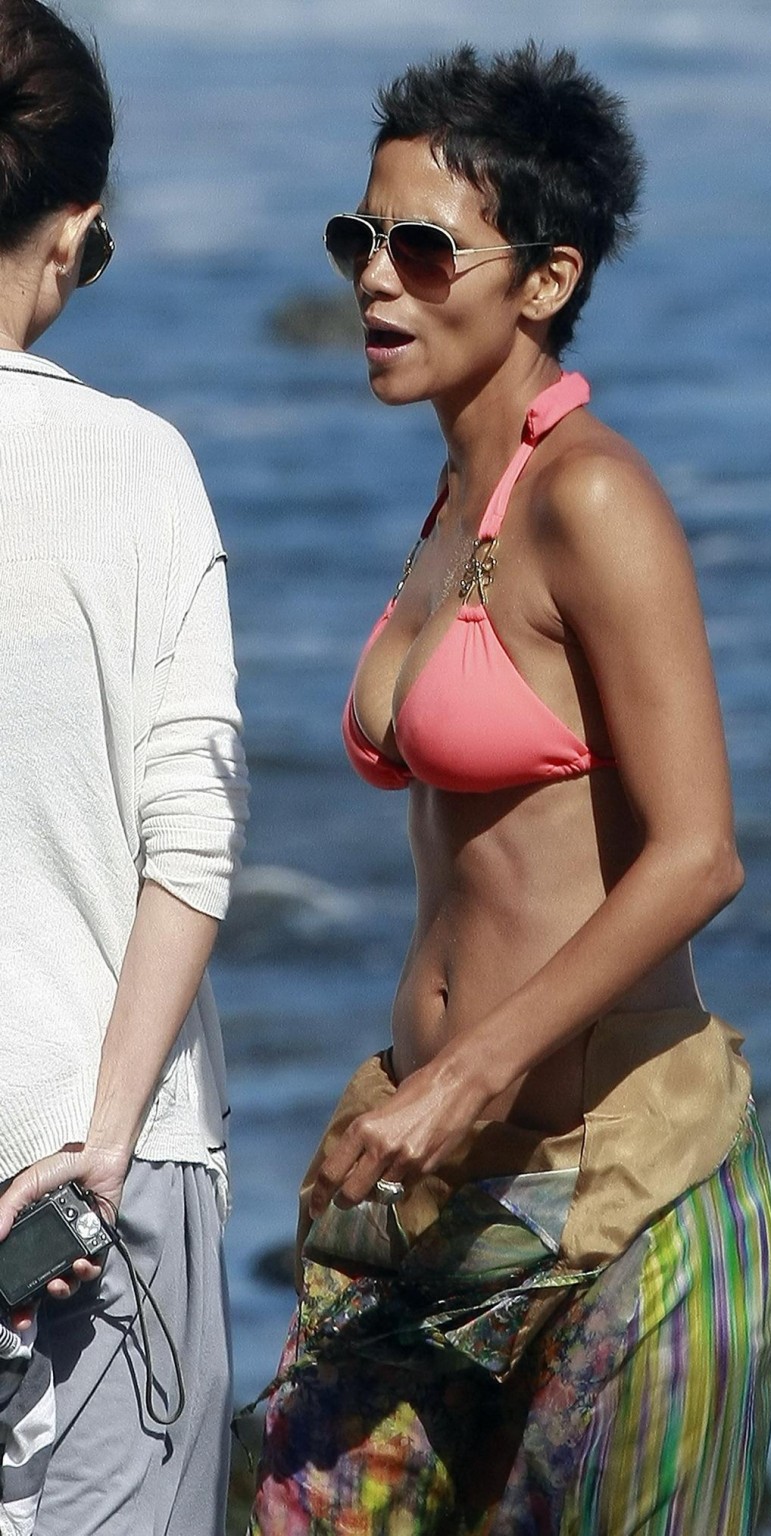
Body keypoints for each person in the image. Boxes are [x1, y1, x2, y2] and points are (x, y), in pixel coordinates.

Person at [250, 42, 771, 1536]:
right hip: (429, 1197)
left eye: (424, 250)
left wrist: (470, 1073)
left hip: (620, 1187)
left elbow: (695, 858)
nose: (375, 282)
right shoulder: (451, 505)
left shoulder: (592, 496)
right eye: (360, 239)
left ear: (543, 281)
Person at [0, 2, 248, 1532]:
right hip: (97, 1178)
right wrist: (102, 1138)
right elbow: (192, 841)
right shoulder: (136, 465)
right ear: (78, 223)